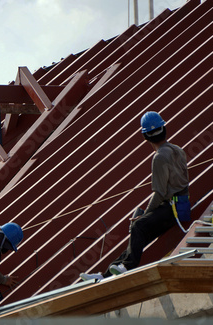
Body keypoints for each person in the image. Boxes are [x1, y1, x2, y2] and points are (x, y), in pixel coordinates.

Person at [81, 111, 189, 280]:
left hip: (171, 209)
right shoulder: (178, 150)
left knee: (138, 226)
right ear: (164, 128)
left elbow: (159, 193)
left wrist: (145, 215)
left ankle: (127, 267)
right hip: (178, 207)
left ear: (146, 136)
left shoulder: (159, 157)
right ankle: (106, 275)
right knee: (136, 240)